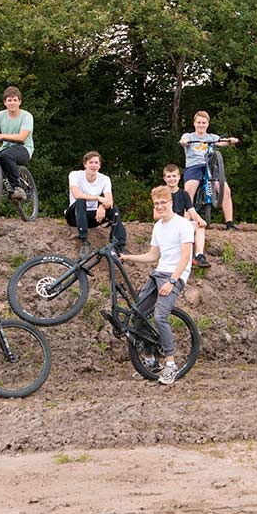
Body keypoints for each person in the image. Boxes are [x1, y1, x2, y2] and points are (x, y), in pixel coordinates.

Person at [118, 186, 196, 385]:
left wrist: (172, 281)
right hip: (158, 273)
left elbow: (186, 256)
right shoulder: (158, 226)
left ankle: (171, 364)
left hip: (174, 275)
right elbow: (153, 255)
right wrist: (128, 257)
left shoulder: (183, 224)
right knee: (138, 314)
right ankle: (151, 361)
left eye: (163, 202)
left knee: (161, 315)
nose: (160, 206)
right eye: (156, 204)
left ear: (171, 203)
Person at [179, 110, 239, 229]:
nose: (201, 125)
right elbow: (183, 141)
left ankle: (229, 223)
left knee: (225, 190)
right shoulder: (189, 136)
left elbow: (221, 142)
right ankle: (185, 224)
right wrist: (184, 142)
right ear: (194, 123)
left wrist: (230, 140)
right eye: (199, 122)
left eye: (204, 123)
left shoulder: (211, 137)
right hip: (194, 166)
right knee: (189, 191)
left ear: (207, 124)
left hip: (211, 166)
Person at [65, 151, 126, 248]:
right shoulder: (74, 175)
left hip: (93, 217)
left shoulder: (105, 179)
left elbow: (109, 200)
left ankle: (119, 246)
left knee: (113, 209)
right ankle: (84, 240)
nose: (93, 165)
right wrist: (98, 198)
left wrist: (102, 206)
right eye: (91, 162)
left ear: (100, 165)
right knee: (81, 201)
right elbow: (77, 194)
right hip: (75, 216)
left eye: (96, 163)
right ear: (85, 164)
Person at [0, 86, 34, 200]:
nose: (12, 103)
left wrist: (1, 136)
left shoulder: (27, 116)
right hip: (6, 149)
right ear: (5, 102)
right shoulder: (0, 115)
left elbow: (22, 138)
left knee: (6, 155)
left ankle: (17, 187)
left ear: (19, 102)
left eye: (15, 100)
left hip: (24, 149)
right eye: (9, 100)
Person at [162, 164, 209, 269]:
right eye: (169, 176)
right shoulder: (161, 193)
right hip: (166, 224)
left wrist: (199, 219)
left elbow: (191, 210)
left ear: (179, 177)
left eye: (174, 176)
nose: (172, 179)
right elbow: (156, 216)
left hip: (179, 223)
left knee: (199, 225)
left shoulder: (184, 194)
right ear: (164, 178)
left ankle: (199, 256)